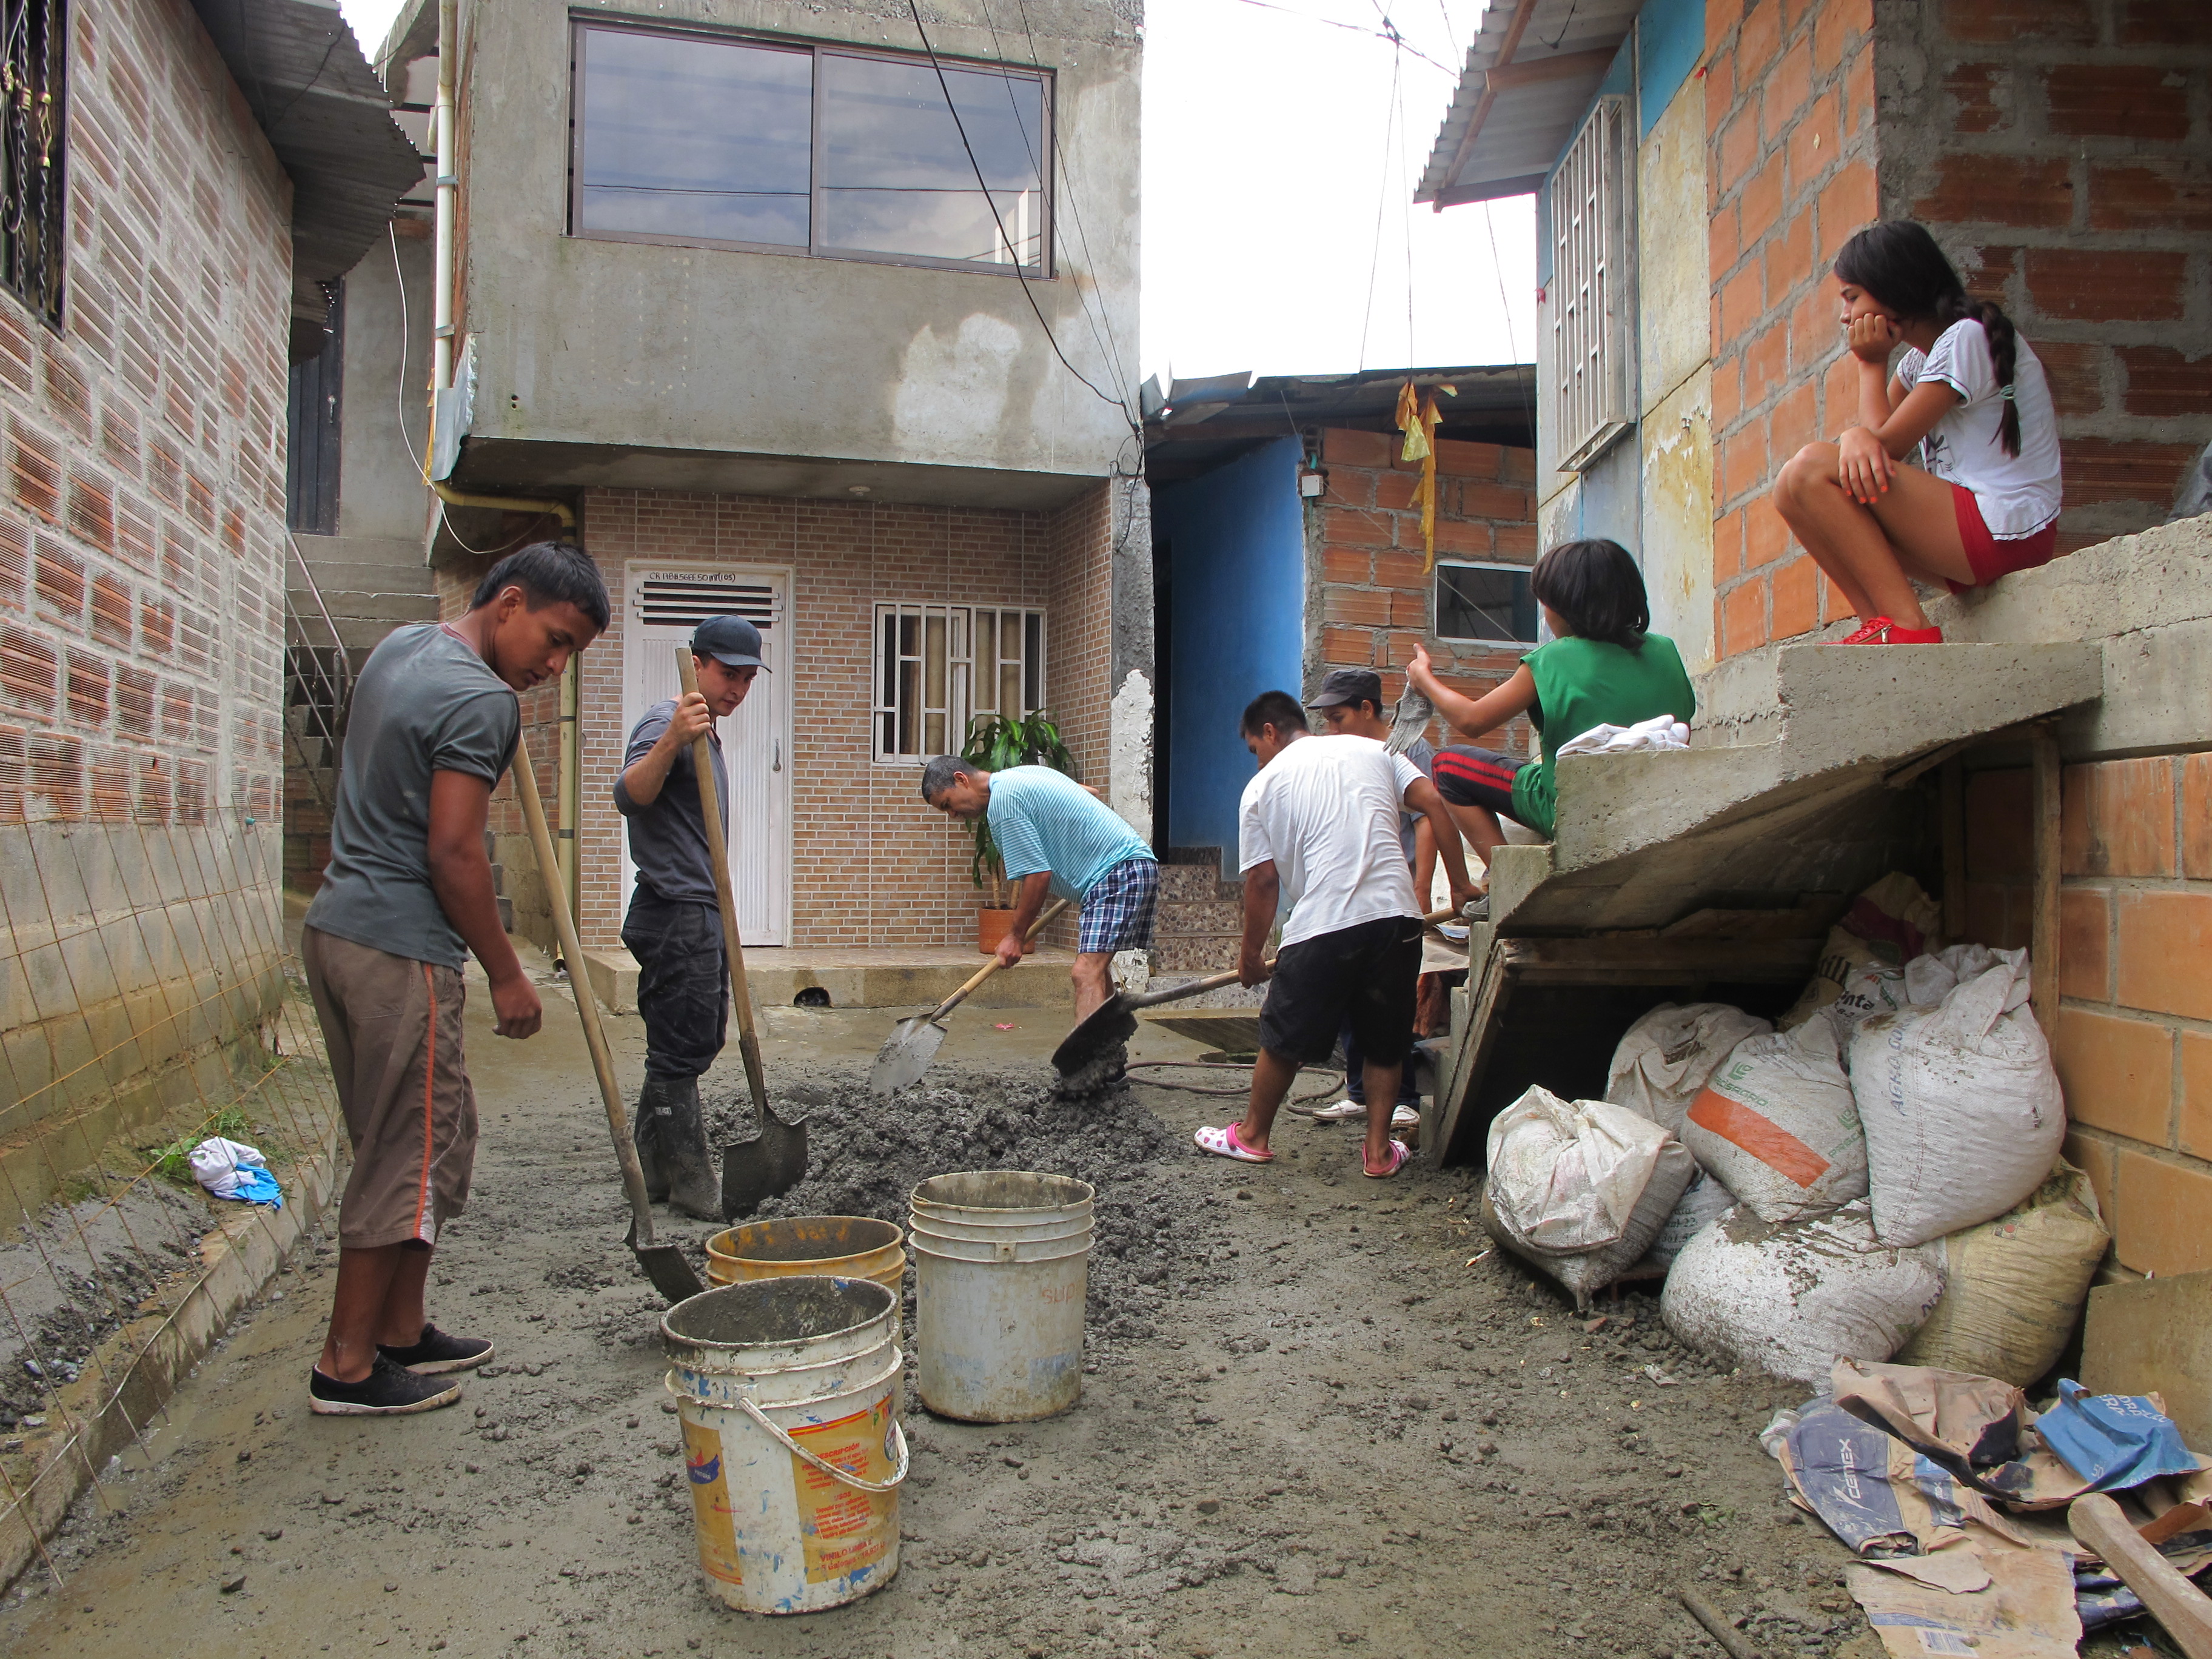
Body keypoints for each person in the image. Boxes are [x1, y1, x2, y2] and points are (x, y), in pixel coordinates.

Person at [301, 541, 608, 1415]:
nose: (553, 668)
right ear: (508, 602)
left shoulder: (404, 648)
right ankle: (347, 1368)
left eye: (570, 656)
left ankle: (401, 1329)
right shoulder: (481, 700)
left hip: (337, 933)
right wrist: (509, 974)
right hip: (401, 950)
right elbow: (455, 852)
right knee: (404, 1157)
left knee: (437, 1134)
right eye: (553, 642)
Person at [1192, 692, 1480, 1179]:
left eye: (1253, 748)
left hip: (1323, 923)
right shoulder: (1375, 751)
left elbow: (1263, 880)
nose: (1255, 758)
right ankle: (1378, 1154)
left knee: (1283, 1038)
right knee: (1385, 1042)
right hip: (1397, 919)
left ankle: (1252, 1137)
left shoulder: (1262, 786)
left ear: (1269, 733)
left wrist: (1250, 956)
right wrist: (1459, 883)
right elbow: (1432, 800)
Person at [1772, 219, 2062, 645]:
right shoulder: (1917, 362)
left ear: (1891, 286)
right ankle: (1878, 624)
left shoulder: (1969, 337)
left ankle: (1907, 623)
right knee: (1789, 489)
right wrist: (1861, 431)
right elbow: (1872, 455)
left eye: (1852, 297)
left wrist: (1870, 365)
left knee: (1813, 468)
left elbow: (1884, 447)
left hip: (2008, 533)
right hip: (1967, 540)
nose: (1845, 315)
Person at [611, 615, 766, 1219]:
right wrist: (673, 738)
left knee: (695, 1038)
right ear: (698, 665)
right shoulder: (665, 720)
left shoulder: (709, 729)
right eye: (729, 674)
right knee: (680, 1049)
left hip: (697, 910)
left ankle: (655, 1167)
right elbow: (629, 795)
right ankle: (690, 1175)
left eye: (749, 679)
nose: (737, 689)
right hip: (675, 909)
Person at [1409, 538, 1696, 860]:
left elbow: (1471, 721)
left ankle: (1503, 874)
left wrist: (1425, 679)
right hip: (1659, 800)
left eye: (1545, 603)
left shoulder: (1552, 659)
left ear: (1566, 606)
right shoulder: (1665, 650)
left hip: (1573, 808)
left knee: (1449, 765)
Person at [921, 756, 1158, 1038]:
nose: (953, 816)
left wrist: (1015, 936)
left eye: (948, 804)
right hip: (1127, 868)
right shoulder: (1023, 775)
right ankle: (1108, 1064)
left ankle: (1085, 1070)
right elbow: (1089, 793)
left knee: (1085, 972)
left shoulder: (1003, 804)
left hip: (1118, 872)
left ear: (961, 780)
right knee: (1098, 975)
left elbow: (1038, 876)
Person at [1305, 668, 1435, 1131]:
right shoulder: (1341, 754)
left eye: (1338, 718)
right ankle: (1360, 1093)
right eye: (1326, 721)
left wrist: (1419, 891)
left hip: (1392, 898)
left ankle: (1403, 1099)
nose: (1331, 730)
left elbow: (1425, 820)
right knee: (1347, 998)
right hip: (1348, 898)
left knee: (1388, 1004)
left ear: (1367, 709)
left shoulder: (1409, 749)